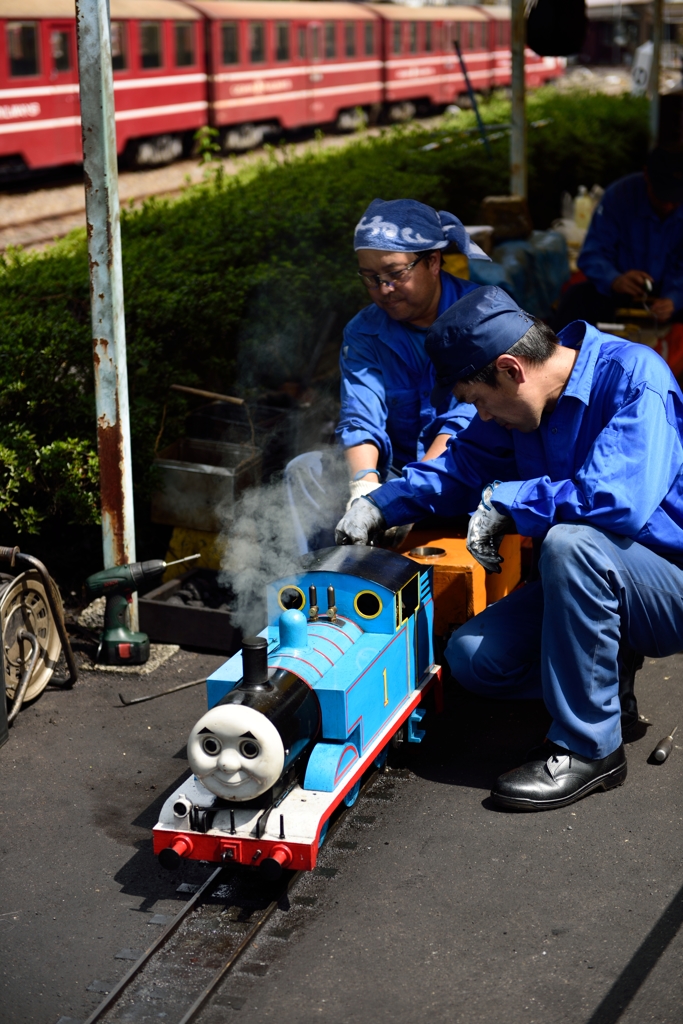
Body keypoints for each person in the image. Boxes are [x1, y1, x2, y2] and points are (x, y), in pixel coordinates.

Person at [335, 285, 683, 811]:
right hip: (587, 582)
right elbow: (462, 466)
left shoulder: (637, 377)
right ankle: (605, 682)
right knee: (474, 659)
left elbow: (618, 502)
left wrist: (511, 501)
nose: (485, 416)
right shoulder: (521, 403)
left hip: (667, 585)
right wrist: (382, 504)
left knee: (570, 543)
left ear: (511, 369)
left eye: (479, 401)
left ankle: (591, 750)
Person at [286, 198, 491, 552]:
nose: (383, 290)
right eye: (370, 278)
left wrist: (404, 496)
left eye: (395, 274)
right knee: (305, 470)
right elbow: (360, 417)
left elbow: (463, 423)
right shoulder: (364, 331)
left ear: (432, 261)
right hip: (395, 470)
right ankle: (314, 587)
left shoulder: (483, 315)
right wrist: (364, 487)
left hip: (466, 474)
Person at [553, 148, 683, 330]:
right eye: (661, 197)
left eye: (675, 200)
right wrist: (615, 279)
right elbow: (592, 253)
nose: (668, 206)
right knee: (575, 299)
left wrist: (675, 298)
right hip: (618, 291)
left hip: (673, 294)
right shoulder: (619, 196)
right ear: (646, 175)